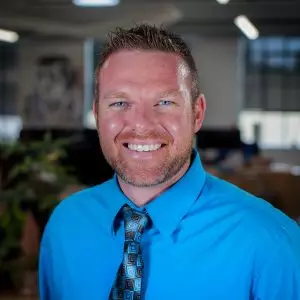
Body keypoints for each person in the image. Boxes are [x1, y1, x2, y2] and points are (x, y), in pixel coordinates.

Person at [38, 24, 300, 300]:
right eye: (119, 103)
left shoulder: (272, 243)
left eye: (164, 102)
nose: (141, 124)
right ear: (97, 114)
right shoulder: (64, 226)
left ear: (197, 114)